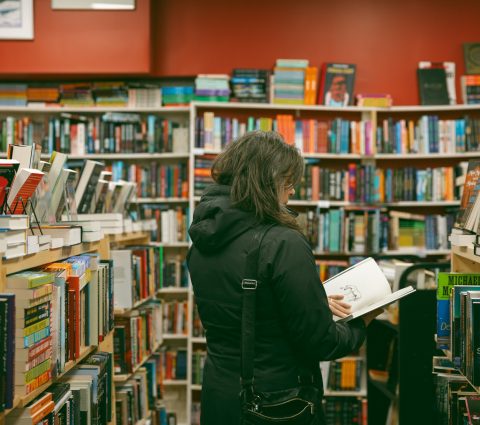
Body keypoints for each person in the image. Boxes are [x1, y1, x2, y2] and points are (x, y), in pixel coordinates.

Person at [187, 130, 381, 424]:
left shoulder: (202, 241)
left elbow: (241, 309)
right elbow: (322, 342)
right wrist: (362, 322)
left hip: (220, 395)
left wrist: (309, 300)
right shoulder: (282, 242)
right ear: (266, 181)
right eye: (288, 182)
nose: (292, 191)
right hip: (276, 403)